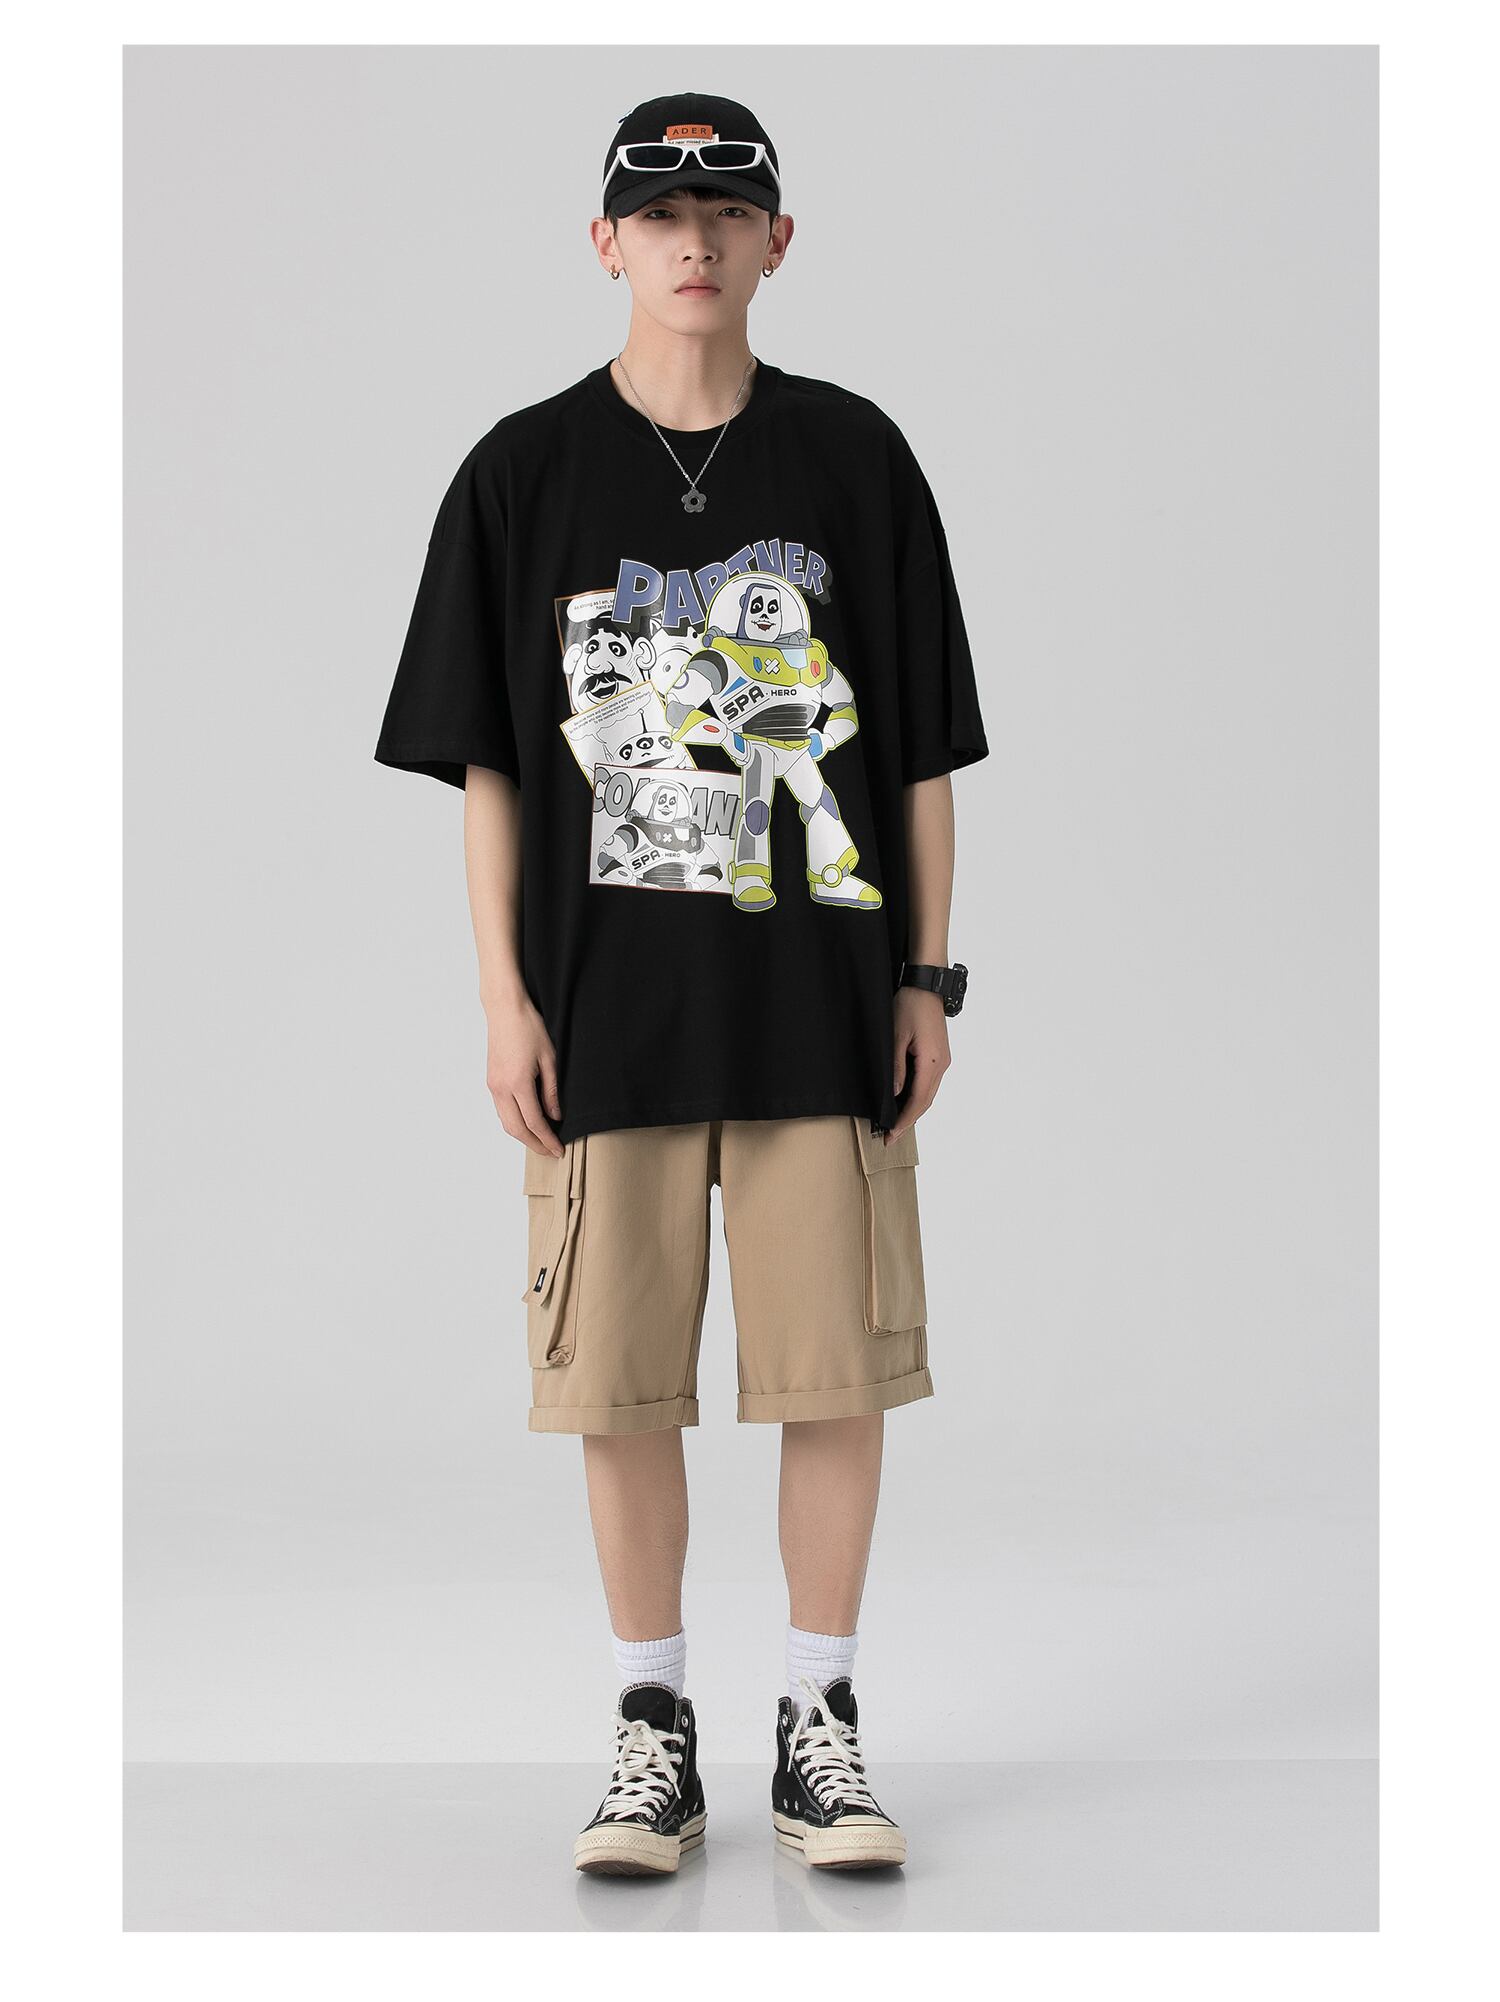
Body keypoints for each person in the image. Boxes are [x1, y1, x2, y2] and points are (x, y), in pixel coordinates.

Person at [375, 90, 988, 1877]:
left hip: (823, 1007)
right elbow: (491, 767)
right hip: (605, 1015)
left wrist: (927, 976)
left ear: (779, 240)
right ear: (607, 242)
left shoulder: (857, 457)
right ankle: (653, 1730)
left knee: (833, 1374)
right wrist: (503, 997)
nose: (694, 241)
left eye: (727, 213)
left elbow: (923, 752)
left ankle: (819, 1723)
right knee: (619, 1384)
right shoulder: (521, 473)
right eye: (659, 212)